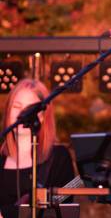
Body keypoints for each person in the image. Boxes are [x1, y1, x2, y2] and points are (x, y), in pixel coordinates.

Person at [0, 78, 75, 218]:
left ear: (43, 116)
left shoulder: (60, 157)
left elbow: (63, 206)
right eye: (16, 106)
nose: (22, 114)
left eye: (30, 109)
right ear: (8, 111)